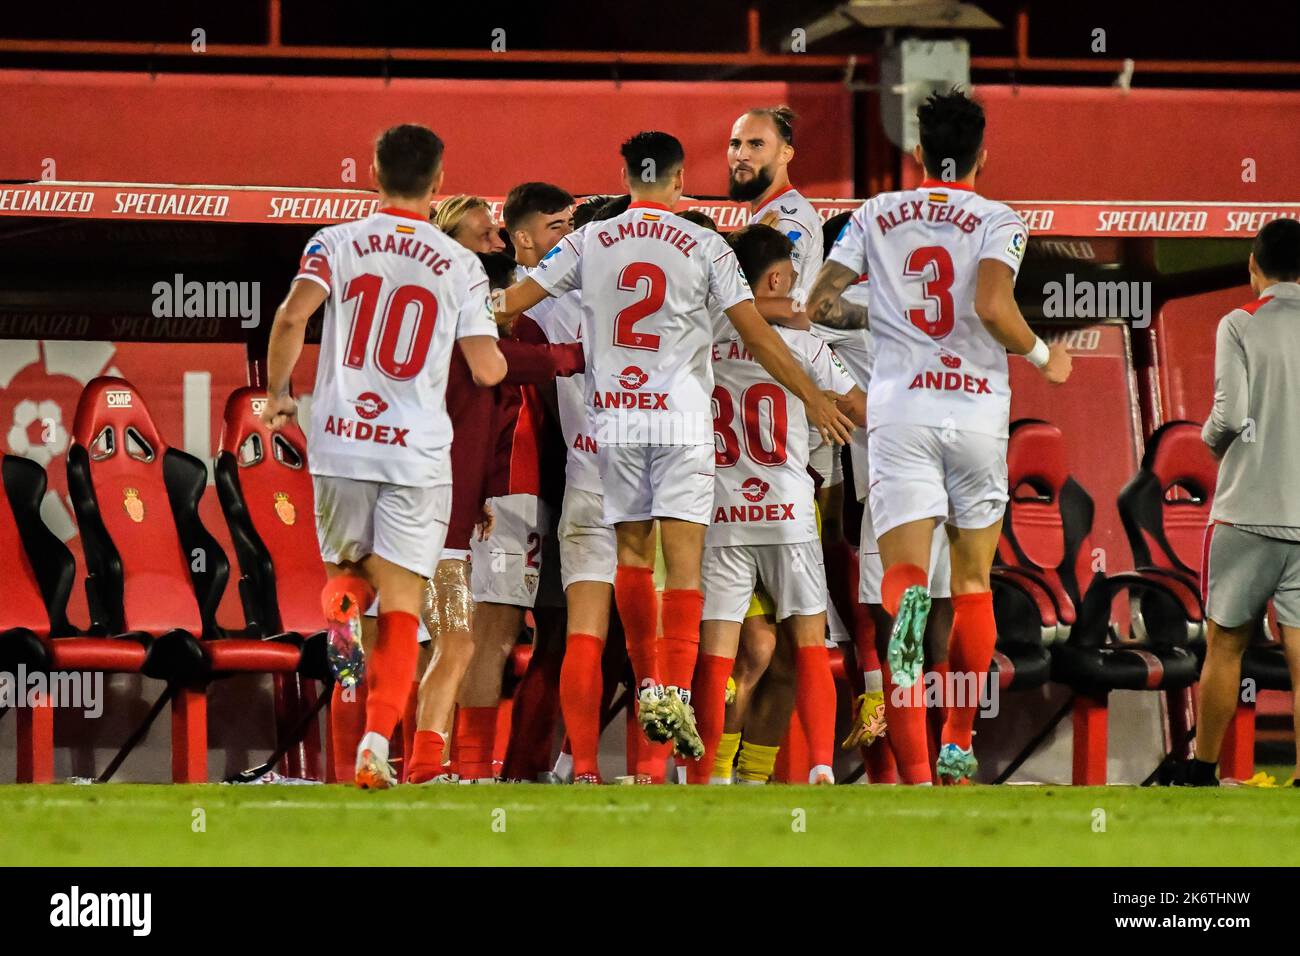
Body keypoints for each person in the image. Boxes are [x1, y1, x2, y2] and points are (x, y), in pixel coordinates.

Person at [500, 131, 854, 760]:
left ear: (624, 174)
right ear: (680, 175)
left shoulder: (589, 240)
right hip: (683, 426)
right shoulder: (706, 243)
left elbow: (511, 303)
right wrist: (816, 396)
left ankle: (653, 687)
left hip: (616, 426)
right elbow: (762, 339)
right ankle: (674, 695)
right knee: (683, 567)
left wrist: (464, 310)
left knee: (632, 559)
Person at [804, 88, 1071, 783]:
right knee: (976, 581)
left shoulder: (876, 213)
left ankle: (915, 774)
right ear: (983, 155)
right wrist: (1045, 356)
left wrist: (883, 320)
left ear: (917, 152)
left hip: (901, 415)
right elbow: (991, 305)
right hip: (977, 412)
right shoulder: (997, 218)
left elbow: (821, 303)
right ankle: (958, 735)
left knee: (906, 587)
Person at [260, 123, 506, 789]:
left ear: (372, 171)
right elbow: (486, 369)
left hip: (342, 443)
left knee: (345, 587)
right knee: (402, 606)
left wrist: (278, 395)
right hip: (416, 454)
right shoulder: (460, 265)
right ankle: (376, 741)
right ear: (440, 181)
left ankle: (347, 690)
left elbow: (290, 318)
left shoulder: (334, 242)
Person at [691, 223, 865, 785]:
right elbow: (862, 410)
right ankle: (818, 766)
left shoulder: (700, 336)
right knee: (806, 643)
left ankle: (709, 774)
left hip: (720, 513)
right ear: (773, 276)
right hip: (788, 510)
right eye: (789, 278)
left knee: (720, 653)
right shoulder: (805, 345)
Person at [1191, 217, 1300, 787]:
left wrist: (1211, 442)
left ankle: (1203, 770)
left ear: (1253, 267)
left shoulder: (1239, 322)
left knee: (1225, 644)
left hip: (1246, 513)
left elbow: (1229, 417)